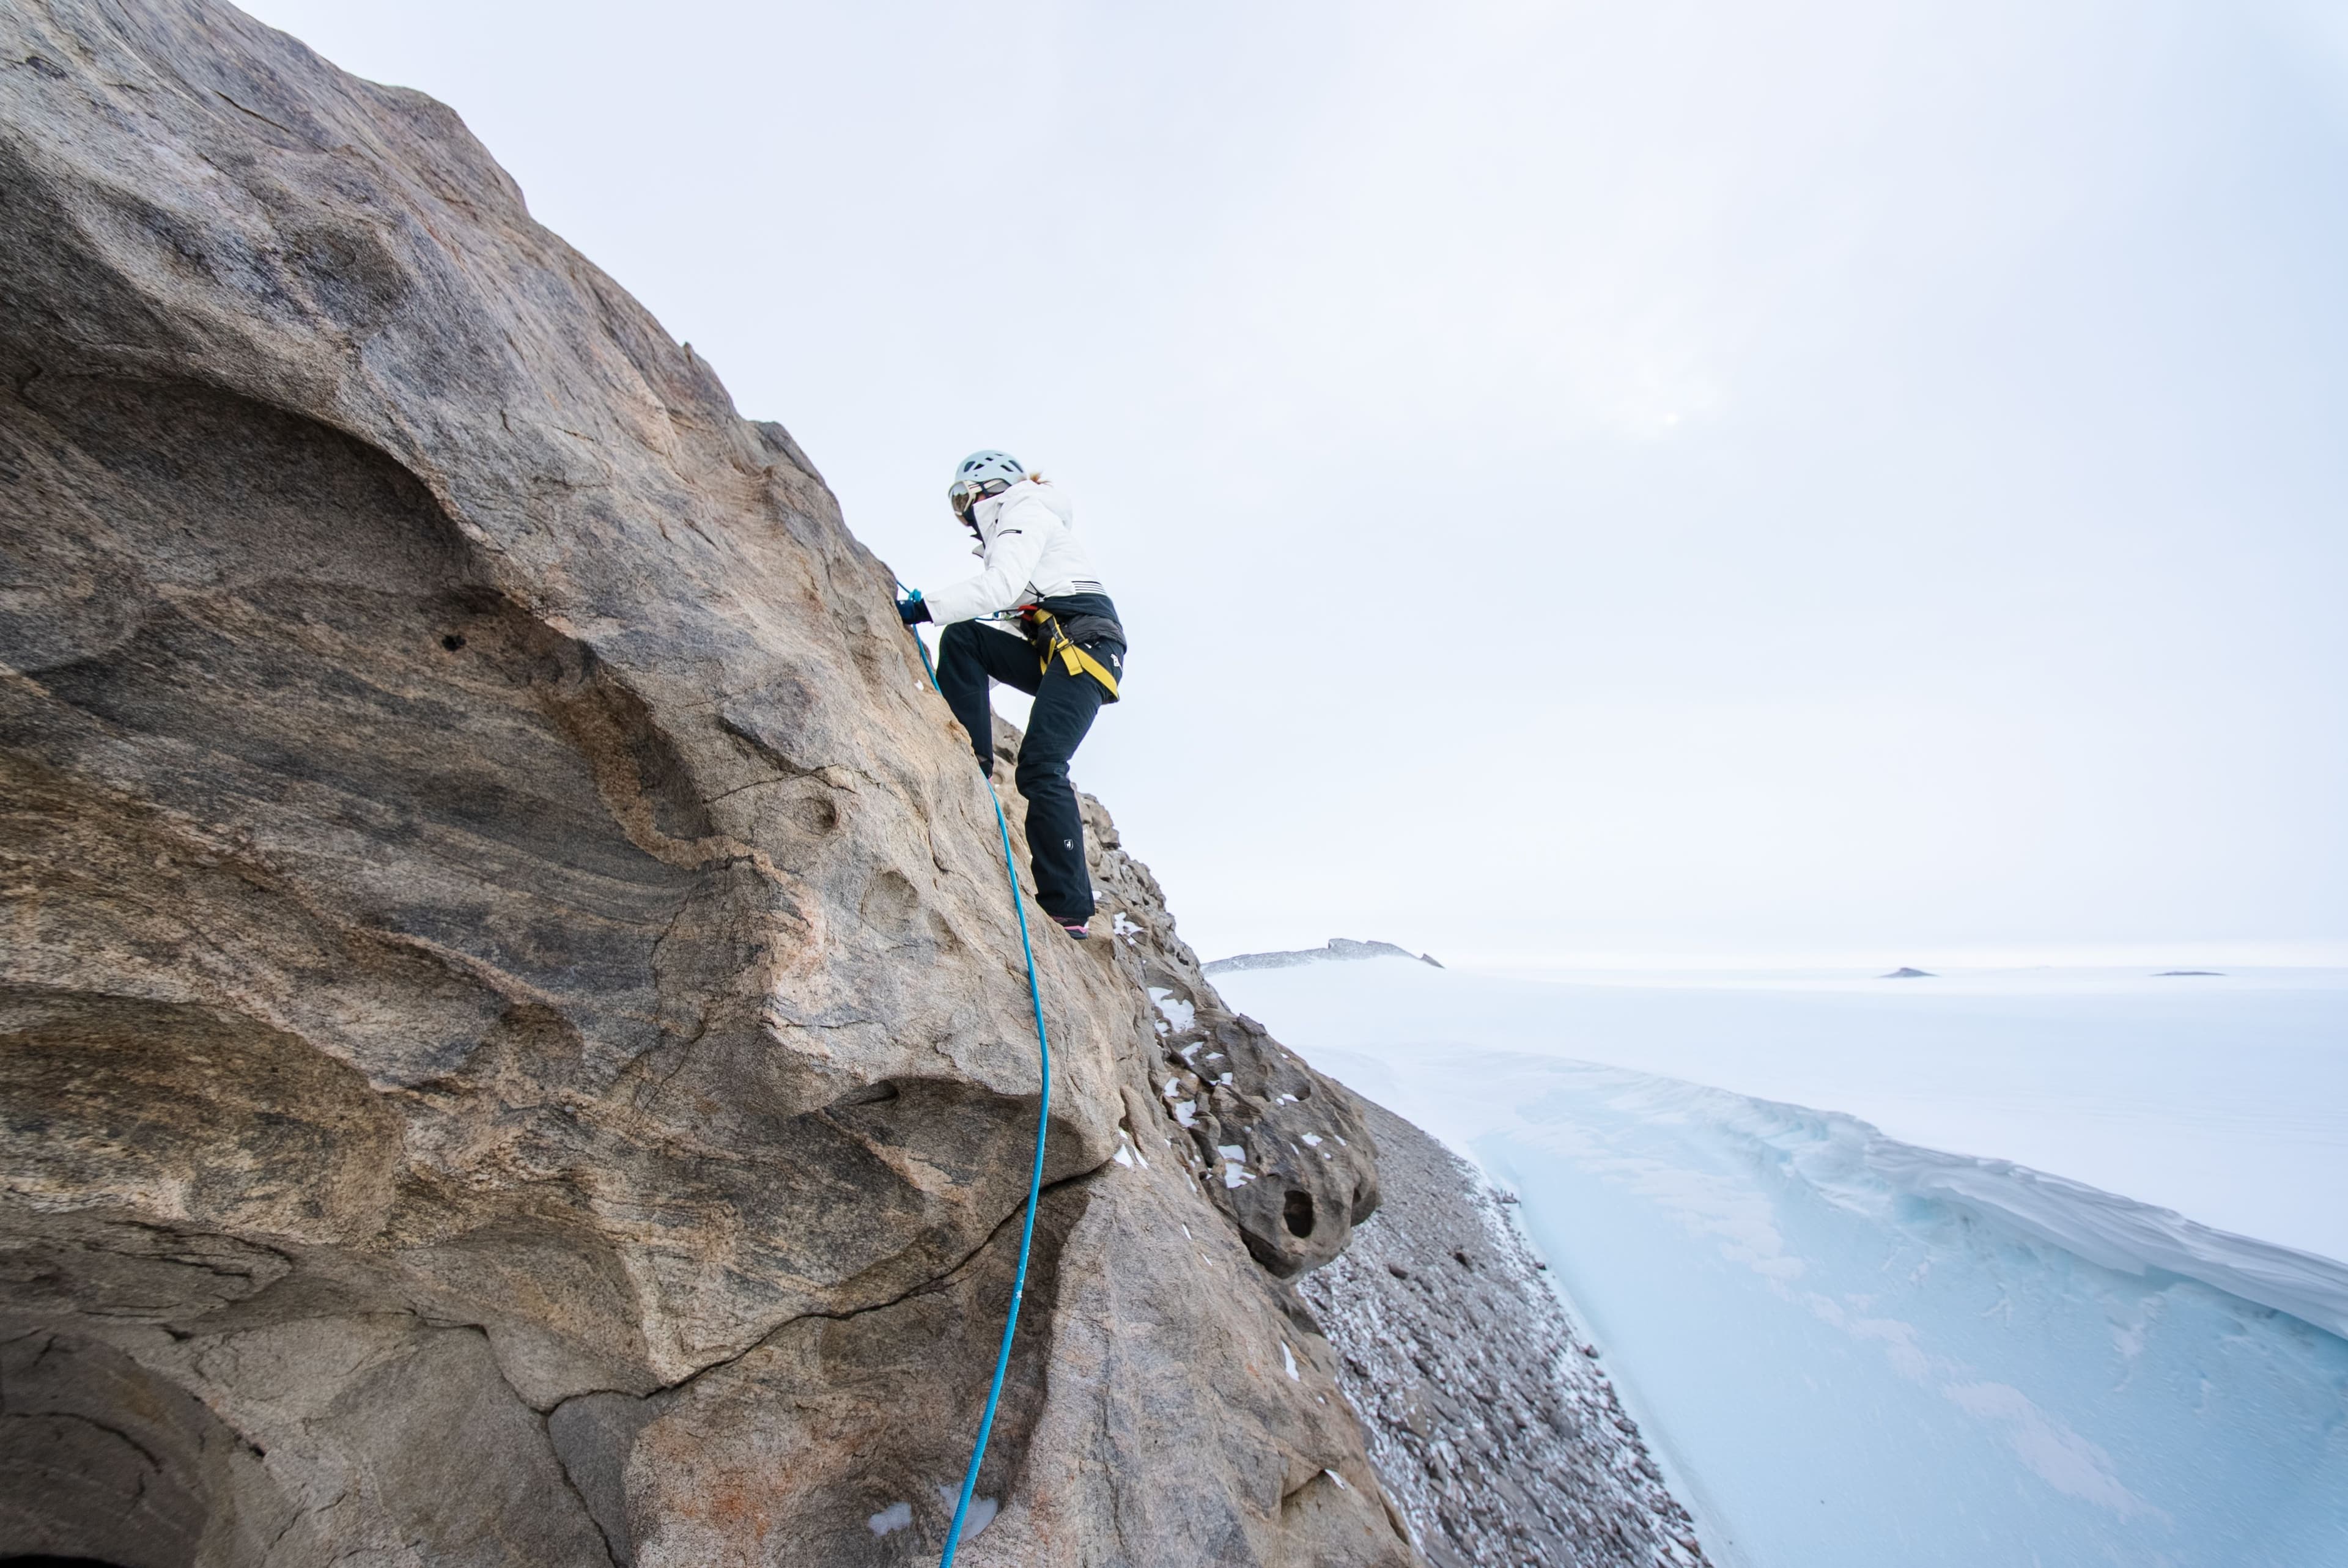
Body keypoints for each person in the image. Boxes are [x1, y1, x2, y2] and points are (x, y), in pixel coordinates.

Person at [898, 451, 1128, 940]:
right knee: (964, 639)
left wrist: (919, 610)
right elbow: (997, 632)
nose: (964, 515)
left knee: (1042, 765)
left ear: (988, 488)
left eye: (963, 499)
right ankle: (972, 758)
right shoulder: (1024, 521)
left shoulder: (1023, 510)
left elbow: (997, 587)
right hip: (1062, 647)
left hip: (1083, 647)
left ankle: (1068, 908)